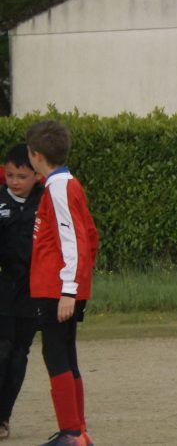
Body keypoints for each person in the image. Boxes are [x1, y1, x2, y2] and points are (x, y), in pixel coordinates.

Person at [26, 120, 98, 446]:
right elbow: (91, 236)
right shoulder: (68, 184)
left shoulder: (58, 188)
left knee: (55, 354)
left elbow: (74, 240)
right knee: (66, 354)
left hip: (56, 288)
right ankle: (78, 430)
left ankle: (71, 433)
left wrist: (69, 289)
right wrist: (79, 283)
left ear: (36, 155)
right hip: (66, 286)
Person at [0, 144, 44, 441]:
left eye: (21, 176)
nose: (14, 181)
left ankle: (4, 417)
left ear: (36, 176)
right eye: (10, 175)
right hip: (3, 288)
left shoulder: (47, 200)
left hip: (33, 290)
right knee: (2, 350)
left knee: (19, 353)